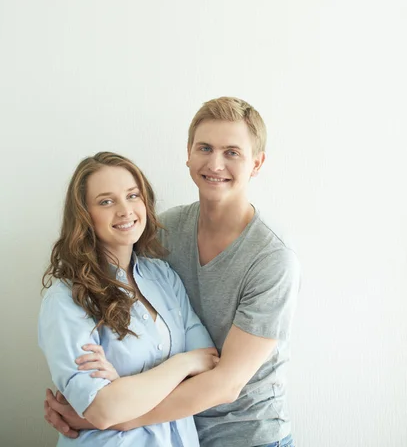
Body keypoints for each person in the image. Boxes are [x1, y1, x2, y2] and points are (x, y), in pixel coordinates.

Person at [44, 97, 301, 447]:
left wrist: (112, 413)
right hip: (176, 431)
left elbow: (224, 381)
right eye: (205, 148)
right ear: (188, 153)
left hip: (246, 434)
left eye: (232, 152)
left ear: (257, 164)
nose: (215, 163)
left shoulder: (271, 258)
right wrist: (94, 402)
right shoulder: (160, 233)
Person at [39, 151, 220, 446]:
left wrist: (123, 389)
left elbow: (210, 365)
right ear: (85, 215)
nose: (125, 210)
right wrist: (185, 363)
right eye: (106, 201)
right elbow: (103, 409)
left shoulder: (163, 276)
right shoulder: (66, 299)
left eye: (133, 196)